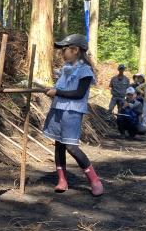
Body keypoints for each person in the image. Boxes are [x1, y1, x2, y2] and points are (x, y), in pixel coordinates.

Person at [43, 34, 103, 196]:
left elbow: (78, 93)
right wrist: (52, 90)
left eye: (64, 49)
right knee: (59, 146)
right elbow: (62, 87)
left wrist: (57, 92)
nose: (62, 52)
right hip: (58, 110)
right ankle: (62, 179)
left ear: (75, 50)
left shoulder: (85, 71)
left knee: (71, 146)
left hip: (72, 112)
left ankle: (94, 180)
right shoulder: (66, 68)